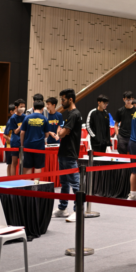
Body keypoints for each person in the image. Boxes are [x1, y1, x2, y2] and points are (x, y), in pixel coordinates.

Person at [50, 88, 83, 222]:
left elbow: (62, 133)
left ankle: (78, 210)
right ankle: (63, 208)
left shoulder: (74, 114)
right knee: (64, 182)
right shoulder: (69, 114)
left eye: (63, 100)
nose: (61, 102)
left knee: (75, 184)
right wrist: (62, 131)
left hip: (70, 152)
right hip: (63, 152)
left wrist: (61, 132)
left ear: (70, 99)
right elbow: (63, 132)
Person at [19, 99, 48, 175]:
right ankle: (36, 185)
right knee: (38, 167)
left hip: (28, 145)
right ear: (42, 108)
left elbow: (22, 132)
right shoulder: (45, 119)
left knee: (28, 166)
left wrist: (22, 144)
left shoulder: (27, 118)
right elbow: (47, 134)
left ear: (33, 108)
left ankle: (28, 185)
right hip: (39, 146)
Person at [4, 99, 26, 177]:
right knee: (14, 162)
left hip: (23, 141)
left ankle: (22, 178)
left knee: (23, 162)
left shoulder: (25, 116)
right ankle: (13, 179)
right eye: (21, 106)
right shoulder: (13, 118)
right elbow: (16, 131)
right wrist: (22, 125)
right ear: (16, 107)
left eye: (24, 106)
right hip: (15, 142)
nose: (23, 108)